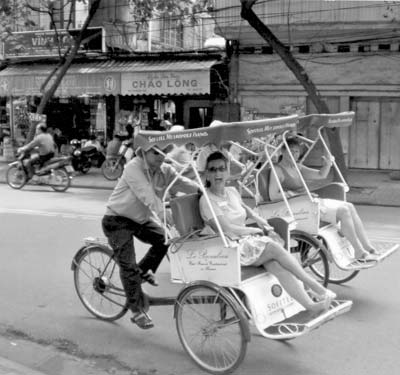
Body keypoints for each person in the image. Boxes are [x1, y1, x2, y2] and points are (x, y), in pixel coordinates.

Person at [199, 151, 336, 315]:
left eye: (222, 169)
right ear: (207, 174)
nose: (218, 173)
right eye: (213, 170)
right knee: (272, 247)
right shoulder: (207, 200)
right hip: (229, 247)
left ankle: (310, 305)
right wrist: (255, 230)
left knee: (278, 267)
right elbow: (227, 229)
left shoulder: (232, 192)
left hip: (247, 243)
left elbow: (248, 211)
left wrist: (264, 223)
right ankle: (316, 287)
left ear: (227, 171)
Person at [102, 144, 200, 329]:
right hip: (117, 219)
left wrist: (203, 191)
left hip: (140, 220)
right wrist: (164, 213)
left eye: (163, 151)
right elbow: (146, 195)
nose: (160, 156)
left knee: (165, 239)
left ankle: (141, 274)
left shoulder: (165, 170)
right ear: (143, 152)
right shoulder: (134, 167)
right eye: (155, 152)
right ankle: (137, 310)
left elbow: (182, 183)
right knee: (128, 265)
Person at [268, 137, 378, 262]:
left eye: (297, 151)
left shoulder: (297, 167)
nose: (294, 154)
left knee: (349, 206)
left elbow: (321, 175)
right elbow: (273, 195)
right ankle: (358, 251)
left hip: (309, 202)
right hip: (298, 206)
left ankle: (367, 246)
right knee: (343, 211)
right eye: (291, 151)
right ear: (282, 151)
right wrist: (291, 194)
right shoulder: (277, 170)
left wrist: (327, 164)